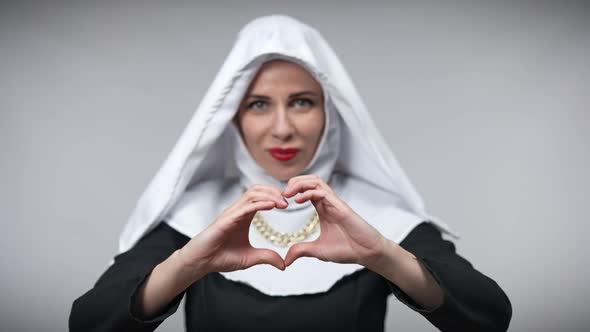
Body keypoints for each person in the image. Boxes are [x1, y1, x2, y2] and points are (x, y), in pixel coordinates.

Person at [69, 15, 512, 332]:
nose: (282, 128)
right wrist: (188, 265)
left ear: (330, 114)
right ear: (233, 118)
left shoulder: (375, 214)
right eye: (258, 104)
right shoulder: (194, 213)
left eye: (302, 101)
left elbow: (488, 317)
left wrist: (382, 256)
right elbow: (90, 323)